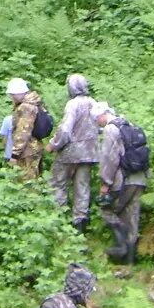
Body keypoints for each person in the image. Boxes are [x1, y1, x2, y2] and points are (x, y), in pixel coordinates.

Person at [95, 103, 146, 265]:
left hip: (122, 180)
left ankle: (121, 247)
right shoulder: (128, 124)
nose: (96, 122)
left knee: (107, 209)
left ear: (102, 115)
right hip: (139, 178)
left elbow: (109, 159)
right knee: (132, 215)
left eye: (96, 118)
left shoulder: (111, 129)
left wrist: (105, 183)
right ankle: (129, 261)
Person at [49, 74, 99, 232]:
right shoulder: (94, 103)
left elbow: (65, 130)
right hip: (89, 153)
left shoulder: (72, 104)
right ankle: (80, 222)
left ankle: (58, 218)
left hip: (70, 152)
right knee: (82, 186)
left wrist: (54, 144)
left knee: (58, 183)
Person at [6, 78, 46, 179]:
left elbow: (23, 132)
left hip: (27, 150)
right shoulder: (35, 103)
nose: (12, 97)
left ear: (20, 93)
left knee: (26, 181)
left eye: (13, 94)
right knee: (34, 178)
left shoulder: (26, 107)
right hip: (35, 147)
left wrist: (15, 154)